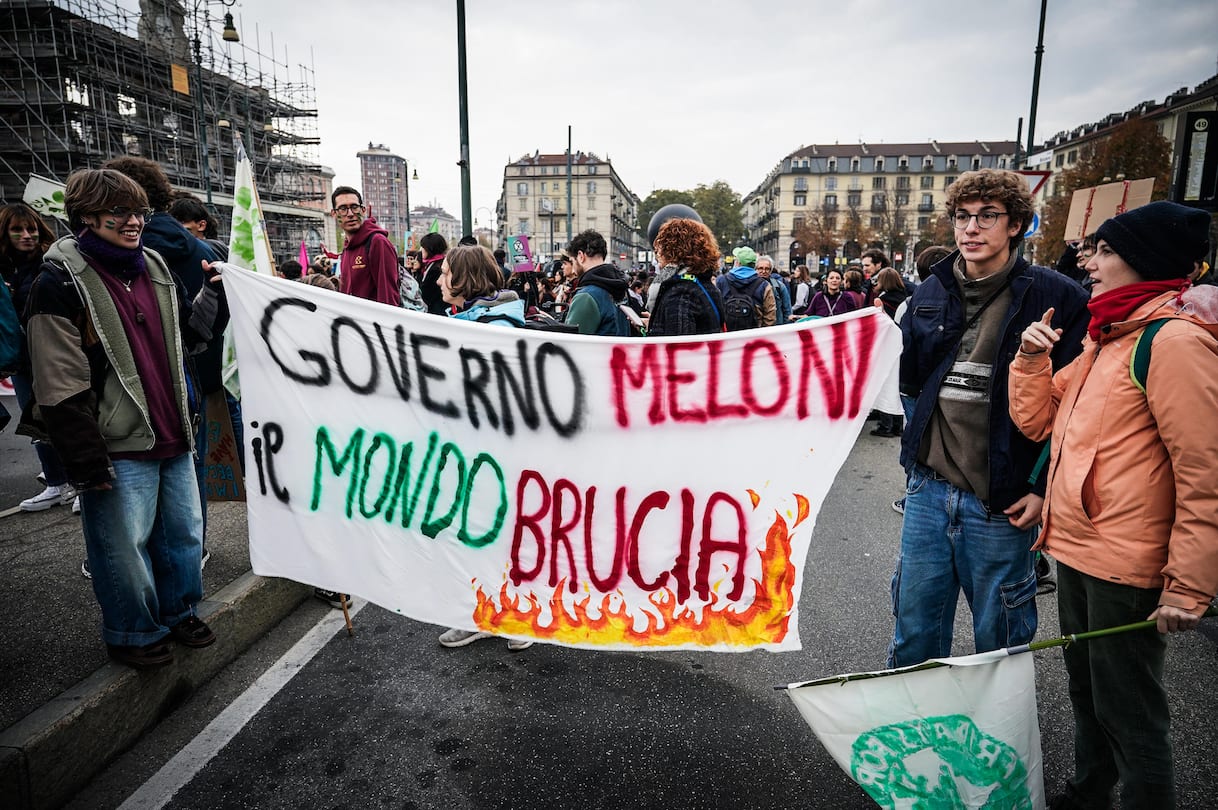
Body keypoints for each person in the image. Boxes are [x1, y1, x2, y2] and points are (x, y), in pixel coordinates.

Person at [1008, 201, 1218, 809]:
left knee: (1129, 709)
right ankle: (1087, 793)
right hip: (1076, 546)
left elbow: (1204, 473)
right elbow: (1039, 422)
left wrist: (1188, 586)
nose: (1089, 261)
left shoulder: (1172, 342)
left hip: (1125, 562)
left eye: (1103, 250)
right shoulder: (1110, 335)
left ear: (1143, 259)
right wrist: (1030, 358)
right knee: (1087, 691)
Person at [22, 168, 224, 668]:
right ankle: (133, 632)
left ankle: (180, 612)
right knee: (122, 547)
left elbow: (187, 339)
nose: (134, 221)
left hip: (173, 431)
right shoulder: (58, 281)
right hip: (116, 442)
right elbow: (59, 382)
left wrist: (213, 295)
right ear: (86, 217)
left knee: (182, 537)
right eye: (120, 213)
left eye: (140, 212)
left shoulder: (152, 264)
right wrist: (86, 464)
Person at [888, 168, 1090, 669]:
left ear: (1017, 224)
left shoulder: (1057, 297)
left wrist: (1043, 486)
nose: (971, 229)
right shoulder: (928, 292)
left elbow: (1076, 408)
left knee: (999, 644)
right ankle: (910, 740)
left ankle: (998, 741)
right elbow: (908, 382)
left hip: (1001, 501)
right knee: (914, 633)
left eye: (987, 217)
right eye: (962, 217)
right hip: (929, 492)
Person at [104, 156, 224, 573]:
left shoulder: (144, 258)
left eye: (129, 211)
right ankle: (188, 561)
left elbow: (190, 326)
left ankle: (172, 576)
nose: (129, 223)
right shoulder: (192, 248)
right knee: (185, 480)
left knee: (164, 481)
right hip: (189, 379)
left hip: (154, 386)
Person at [432, 244, 537, 651]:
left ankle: (512, 616)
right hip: (471, 452)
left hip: (494, 455)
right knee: (475, 535)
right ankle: (482, 613)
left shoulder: (495, 329)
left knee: (496, 534)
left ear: (464, 279)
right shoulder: (465, 321)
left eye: (444, 273)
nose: (439, 280)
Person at [0, 204, 76, 511]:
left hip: (53, 354)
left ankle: (80, 482)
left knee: (67, 418)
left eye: (31, 228)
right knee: (34, 423)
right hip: (20, 360)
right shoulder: (4, 270)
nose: (27, 235)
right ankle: (57, 483)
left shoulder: (52, 262)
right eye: (17, 230)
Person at [647, 218, 724, 337]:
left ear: (673, 250)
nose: (657, 253)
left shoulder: (681, 292)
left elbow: (679, 345)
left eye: (661, 247)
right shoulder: (704, 284)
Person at [331, 186, 400, 307]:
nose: (350, 214)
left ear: (363, 210)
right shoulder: (347, 248)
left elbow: (388, 296)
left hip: (373, 324)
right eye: (343, 209)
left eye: (354, 207)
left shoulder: (378, 242)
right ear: (334, 214)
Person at [563, 230, 632, 336]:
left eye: (573, 261)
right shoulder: (620, 287)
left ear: (581, 256)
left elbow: (571, 342)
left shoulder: (586, 296)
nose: (573, 270)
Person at [870, 267, 908, 439]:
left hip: (887, 345)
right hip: (902, 344)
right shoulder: (906, 298)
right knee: (897, 385)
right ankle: (898, 426)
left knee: (885, 383)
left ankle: (886, 425)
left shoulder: (883, 299)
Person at [714, 246, 775, 329]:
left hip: (728, 336)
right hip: (754, 336)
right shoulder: (764, 285)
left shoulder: (721, 280)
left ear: (738, 263)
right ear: (754, 265)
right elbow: (770, 316)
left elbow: (714, 310)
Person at [417, 232, 449, 315]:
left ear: (430, 248)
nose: (421, 250)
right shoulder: (431, 264)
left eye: (423, 247)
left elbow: (426, 292)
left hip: (438, 311)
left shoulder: (436, 268)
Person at [756, 254, 791, 325]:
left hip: (776, 328)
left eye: (767, 269)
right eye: (760, 268)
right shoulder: (750, 286)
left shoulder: (779, 286)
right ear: (755, 269)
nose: (763, 271)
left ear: (771, 270)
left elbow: (787, 311)